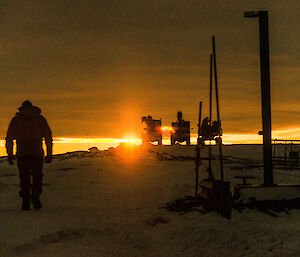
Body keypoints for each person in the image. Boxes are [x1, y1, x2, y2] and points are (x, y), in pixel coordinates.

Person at [6, 100, 53, 210]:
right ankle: (35, 197)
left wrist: (10, 154)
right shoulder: (40, 119)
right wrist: (49, 153)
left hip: (22, 153)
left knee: (24, 178)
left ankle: (26, 200)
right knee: (37, 177)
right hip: (36, 153)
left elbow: (9, 138)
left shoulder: (16, 120)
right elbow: (48, 137)